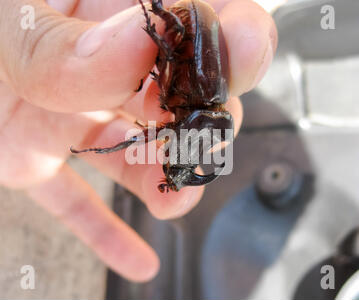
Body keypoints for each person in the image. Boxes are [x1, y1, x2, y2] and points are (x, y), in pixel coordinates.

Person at [0, 0, 277, 282]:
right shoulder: (201, 90)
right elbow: (169, 55)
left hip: (186, 31)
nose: (172, 156)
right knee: (175, 49)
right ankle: (152, 10)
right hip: (186, 20)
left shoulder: (189, 107)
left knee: (172, 60)